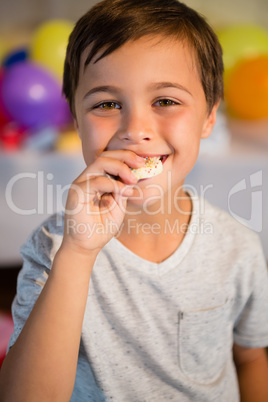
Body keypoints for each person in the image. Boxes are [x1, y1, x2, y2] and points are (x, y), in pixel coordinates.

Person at [1, 0, 268, 400]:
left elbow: (249, 359)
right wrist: (77, 253)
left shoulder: (238, 247)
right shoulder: (55, 248)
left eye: (165, 101)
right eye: (107, 104)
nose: (135, 129)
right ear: (76, 119)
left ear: (210, 116)